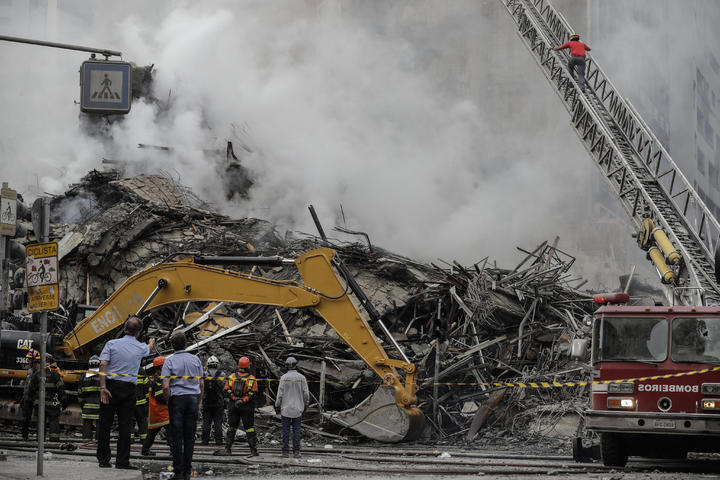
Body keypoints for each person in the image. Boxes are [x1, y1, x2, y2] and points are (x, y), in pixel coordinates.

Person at [97, 316, 155, 470]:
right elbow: (148, 350)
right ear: (139, 332)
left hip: (110, 386)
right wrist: (151, 342)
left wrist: (103, 388)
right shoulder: (141, 347)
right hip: (129, 390)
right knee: (125, 426)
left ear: (124, 328)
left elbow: (102, 364)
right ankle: (122, 462)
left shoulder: (111, 344)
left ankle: (103, 460)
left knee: (105, 424)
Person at [162, 332, 204, 480]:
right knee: (189, 437)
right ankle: (187, 470)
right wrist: (199, 401)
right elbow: (201, 383)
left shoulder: (169, 361)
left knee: (176, 437)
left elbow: (166, 387)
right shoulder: (196, 360)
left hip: (177, 400)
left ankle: (178, 471)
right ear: (186, 344)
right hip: (192, 400)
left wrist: (169, 401)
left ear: (172, 345)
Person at [215, 356, 259, 457]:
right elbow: (254, 393)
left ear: (239, 365)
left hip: (233, 406)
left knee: (232, 427)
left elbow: (226, 390)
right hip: (247, 407)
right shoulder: (252, 378)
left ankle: (228, 449)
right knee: (249, 428)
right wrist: (243, 400)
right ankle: (253, 451)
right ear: (248, 366)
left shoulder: (231, 377)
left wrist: (234, 399)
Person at [27, 354, 66, 442]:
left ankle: (40, 439)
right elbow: (61, 388)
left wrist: (29, 401)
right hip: (52, 403)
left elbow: (31, 389)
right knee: (53, 420)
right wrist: (63, 400)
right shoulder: (55, 374)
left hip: (39, 403)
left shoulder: (36, 374)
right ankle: (54, 438)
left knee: (41, 421)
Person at [275, 357, 309, 458]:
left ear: (286, 366)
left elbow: (279, 394)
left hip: (285, 409)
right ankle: (296, 452)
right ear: (296, 365)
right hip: (298, 409)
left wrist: (277, 405)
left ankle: (285, 452)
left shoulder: (284, 378)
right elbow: (306, 393)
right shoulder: (302, 378)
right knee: (296, 430)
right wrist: (306, 403)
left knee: (285, 430)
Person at [142, 356, 171, 456]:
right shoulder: (159, 380)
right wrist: (170, 399)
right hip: (162, 412)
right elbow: (160, 396)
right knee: (171, 432)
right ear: (160, 367)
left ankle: (145, 450)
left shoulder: (156, 378)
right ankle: (174, 451)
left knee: (151, 433)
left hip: (155, 412)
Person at [201, 355, 226, 446]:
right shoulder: (222, 374)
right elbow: (224, 389)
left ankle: (204, 441)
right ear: (217, 364)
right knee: (218, 423)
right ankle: (218, 442)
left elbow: (201, 388)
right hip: (218, 403)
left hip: (206, 402)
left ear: (208, 364)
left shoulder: (204, 374)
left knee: (206, 422)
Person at [78, 355, 101, 441]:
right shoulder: (102, 375)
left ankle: (87, 440)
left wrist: (82, 404)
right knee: (100, 423)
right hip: (100, 405)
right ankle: (99, 441)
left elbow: (80, 392)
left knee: (87, 423)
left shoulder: (84, 376)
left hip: (87, 405)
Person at [21, 349, 41, 440]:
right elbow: (27, 385)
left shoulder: (40, 371)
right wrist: (23, 397)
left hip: (36, 399)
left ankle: (39, 438)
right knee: (25, 418)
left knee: (39, 419)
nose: (28, 360)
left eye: (29, 359)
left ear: (34, 360)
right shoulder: (30, 371)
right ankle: (24, 436)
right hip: (27, 398)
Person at [131, 364, 149, 443]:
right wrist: (147, 400)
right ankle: (144, 439)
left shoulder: (126, 369)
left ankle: (130, 439)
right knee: (142, 421)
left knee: (129, 421)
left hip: (130, 402)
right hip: (141, 402)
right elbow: (147, 386)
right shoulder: (141, 370)